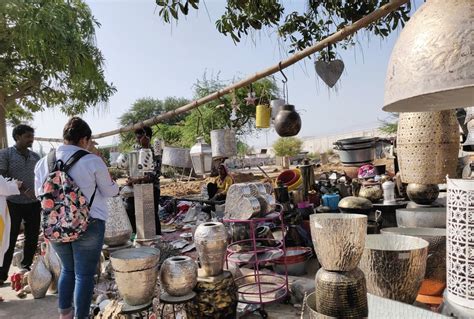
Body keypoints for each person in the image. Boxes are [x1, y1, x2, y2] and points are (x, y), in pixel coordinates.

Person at [34, 117, 118, 319]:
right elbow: (110, 191)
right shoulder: (92, 160)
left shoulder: (42, 162)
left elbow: (40, 194)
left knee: (67, 270)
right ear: (84, 139)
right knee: (84, 275)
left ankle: (65, 315)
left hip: (55, 226)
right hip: (90, 224)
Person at [0, 124, 41, 285]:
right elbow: (2, 178)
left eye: (32, 136)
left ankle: (26, 267)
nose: (31, 139)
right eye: (27, 136)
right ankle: (2, 274)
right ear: (17, 137)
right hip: (13, 203)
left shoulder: (36, 157)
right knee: (8, 239)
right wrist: (24, 189)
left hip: (33, 203)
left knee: (32, 237)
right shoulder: (5, 154)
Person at [124, 126, 162, 235]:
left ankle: (156, 238)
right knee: (131, 210)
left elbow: (154, 174)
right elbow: (132, 168)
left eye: (140, 137)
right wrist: (131, 179)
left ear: (147, 137)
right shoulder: (136, 150)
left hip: (151, 189)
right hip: (136, 188)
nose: (138, 140)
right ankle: (137, 237)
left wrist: (136, 179)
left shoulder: (155, 152)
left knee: (151, 215)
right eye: (137, 138)